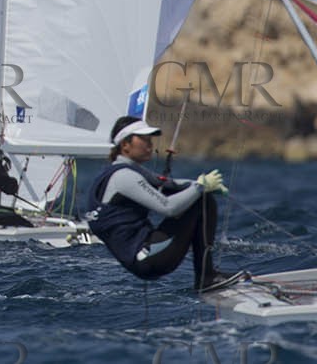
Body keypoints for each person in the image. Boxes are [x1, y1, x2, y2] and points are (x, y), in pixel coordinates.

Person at [85, 115, 236, 292]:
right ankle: (206, 277)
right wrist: (201, 187)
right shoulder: (124, 177)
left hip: (146, 255)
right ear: (125, 145)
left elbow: (169, 185)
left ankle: (207, 276)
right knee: (201, 200)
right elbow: (168, 208)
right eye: (143, 140)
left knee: (199, 195)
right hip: (146, 258)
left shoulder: (125, 172)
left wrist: (199, 184)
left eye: (150, 140)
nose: (150, 145)